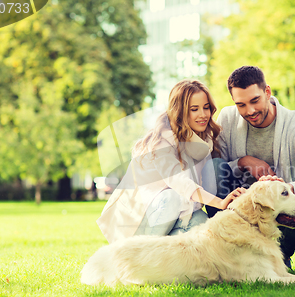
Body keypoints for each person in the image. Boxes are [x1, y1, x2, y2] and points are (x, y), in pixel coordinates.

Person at [207, 66, 295, 268]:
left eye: (255, 100)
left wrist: (283, 188)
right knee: (213, 167)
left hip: (275, 209)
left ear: (267, 92)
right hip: (238, 208)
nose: (250, 111)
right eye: (241, 104)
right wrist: (243, 162)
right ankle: (226, 255)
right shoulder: (227, 118)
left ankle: (279, 257)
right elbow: (216, 168)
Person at [96, 79, 245, 244]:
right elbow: (178, 181)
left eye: (206, 107)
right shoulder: (162, 140)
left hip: (181, 212)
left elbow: (218, 170)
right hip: (143, 217)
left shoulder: (205, 140)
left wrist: (244, 163)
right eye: (194, 109)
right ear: (180, 112)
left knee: (201, 227)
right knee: (171, 198)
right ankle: (139, 255)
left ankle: (163, 258)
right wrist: (220, 203)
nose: (203, 114)